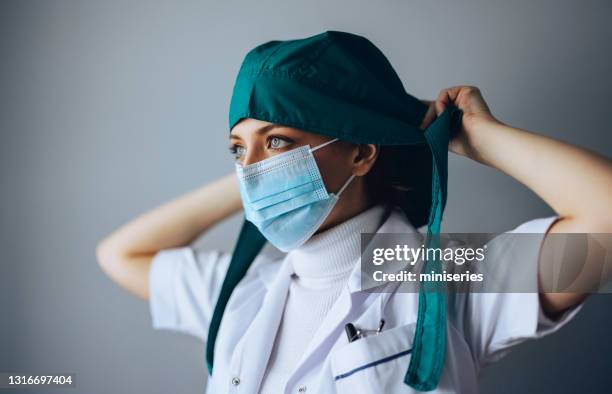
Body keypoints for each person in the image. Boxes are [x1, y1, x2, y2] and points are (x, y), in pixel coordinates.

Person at [96, 31, 612, 394]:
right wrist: (257, 173)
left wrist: (476, 137)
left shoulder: (444, 278)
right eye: (236, 148)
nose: (250, 166)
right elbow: (120, 254)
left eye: (278, 140)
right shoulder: (243, 293)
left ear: (363, 152)